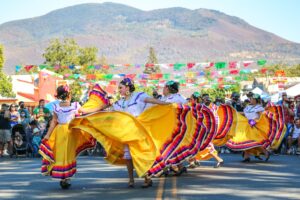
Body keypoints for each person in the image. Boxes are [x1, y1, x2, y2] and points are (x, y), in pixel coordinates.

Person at [112, 78, 169, 188]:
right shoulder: (120, 102)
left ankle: (147, 178)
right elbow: (112, 114)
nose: (119, 90)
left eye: (121, 88)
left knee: (141, 154)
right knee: (128, 157)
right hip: (126, 132)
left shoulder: (138, 96)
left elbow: (152, 100)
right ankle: (131, 179)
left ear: (128, 87)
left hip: (139, 131)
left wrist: (165, 104)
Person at [39, 85, 96, 189]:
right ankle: (66, 177)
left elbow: (53, 122)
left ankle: (63, 178)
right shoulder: (75, 105)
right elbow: (87, 111)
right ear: (69, 94)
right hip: (70, 131)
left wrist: (47, 135)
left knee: (60, 153)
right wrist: (102, 107)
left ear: (59, 95)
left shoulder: (56, 107)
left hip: (59, 131)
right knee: (69, 153)